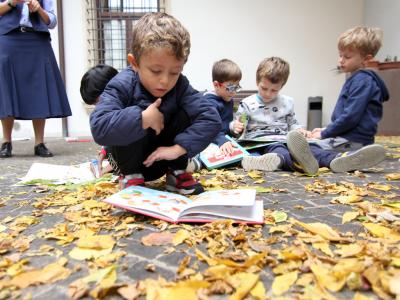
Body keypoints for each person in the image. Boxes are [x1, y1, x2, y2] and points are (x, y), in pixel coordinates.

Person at [90, 12, 221, 195]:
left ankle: (176, 173)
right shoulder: (122, 84)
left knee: (190, 110)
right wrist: (141, 118)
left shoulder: (180, 86)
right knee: (128, 116)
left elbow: (211, 118)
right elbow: (99, 126)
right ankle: (131, 178)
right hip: (126, 162)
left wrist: (178, 149)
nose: (165, 81)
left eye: (174, 72)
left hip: (164, 158)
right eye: (156, 71)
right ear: (134, 63)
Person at [236, 57, 385, 175]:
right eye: (264, 88)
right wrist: (235, 127)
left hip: (284, 138)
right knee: (280, 151)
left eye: (274, 90)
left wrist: (299, 130)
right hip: (262, 142)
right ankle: (285, 162)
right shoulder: (247, 103)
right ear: (257, 82)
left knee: (311, 147)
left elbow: (292, 122)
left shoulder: (286, 102)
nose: (268, 93)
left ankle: (337, 159)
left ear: (282, 86)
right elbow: (237, 123)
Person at [0, 0, 71, 158]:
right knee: (7, 89)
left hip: (36, 39)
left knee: (39, 88)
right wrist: (12, 2)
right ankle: (6, 142)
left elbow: (51, 21)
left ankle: (39, 143)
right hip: (8, 38)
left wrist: (39, 9)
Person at [310, 26, 389, 152]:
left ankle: (341, 158)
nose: (340, 61)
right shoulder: (357, 78)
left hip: (352, 140)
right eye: (340, 55)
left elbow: (351, 116)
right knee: (308, 146)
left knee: (309, 149)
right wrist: (327, 129)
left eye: (347, 57)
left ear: (366, 59)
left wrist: (325, 134)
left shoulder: (362, 81)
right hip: (349, 137)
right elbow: (347, 115)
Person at [186, 59, 243, 172]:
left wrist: (232, 126)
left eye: (237, 87)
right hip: (206, 138)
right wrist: (221, 140)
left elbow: (224, 123)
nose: (234, 92)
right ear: (216, 85)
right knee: (205, 151)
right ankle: (194, 163)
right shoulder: (209, 102)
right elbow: (208, 127)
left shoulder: (228, 98)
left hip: (219, 138)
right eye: (231, 87)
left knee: (235, 149)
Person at [80, 64, 118, 176]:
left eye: (100, 103)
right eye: (96, 105)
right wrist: (103, 153)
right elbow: (112, 140)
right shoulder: (111, 111)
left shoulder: (131, 110)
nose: (98, 109)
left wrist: (114, 166)